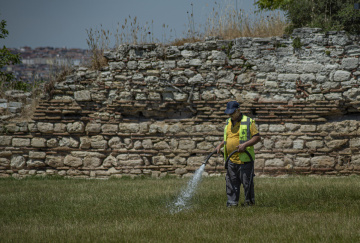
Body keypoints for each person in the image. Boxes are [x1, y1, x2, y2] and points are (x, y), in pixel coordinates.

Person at [216, 101, 261, 207]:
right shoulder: (228, 122)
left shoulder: (249, 121)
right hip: (231, 159)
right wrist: (220, 145)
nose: (230, 115)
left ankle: (249, 203)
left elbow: (257, 137)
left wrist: (245, 145)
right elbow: (228, 138)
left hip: (245, 159)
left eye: (232, 113)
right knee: (231, 182)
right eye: (228, 113)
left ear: (238, 110)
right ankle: (232, 203)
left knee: (247, 183)